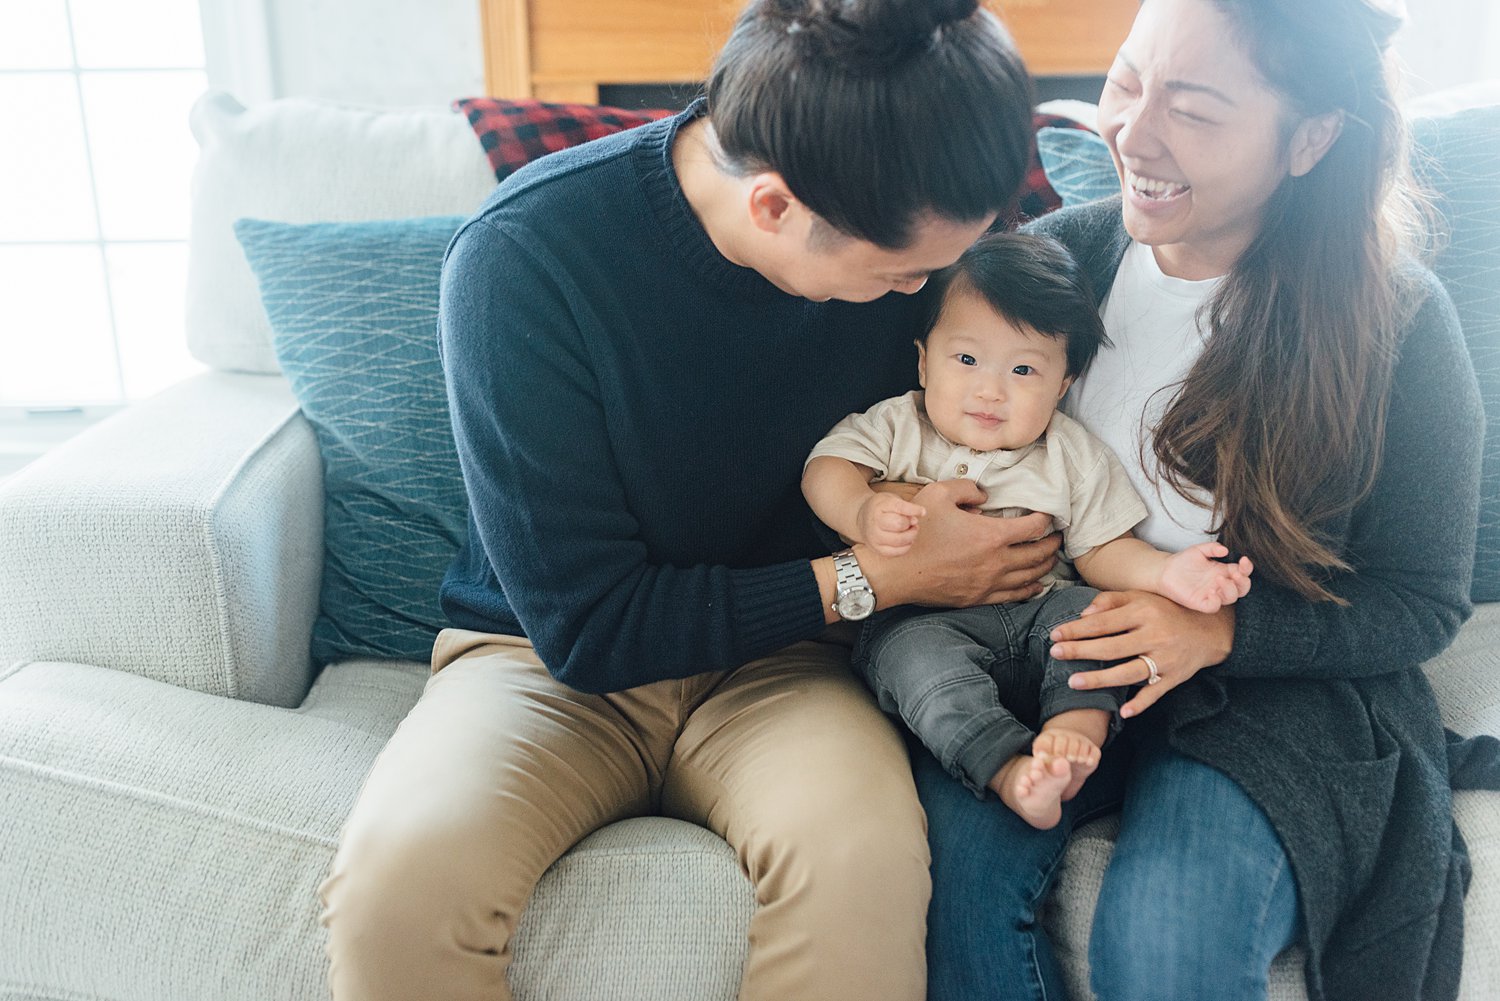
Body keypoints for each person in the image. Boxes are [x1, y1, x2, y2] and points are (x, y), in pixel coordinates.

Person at [315, 2, 1056, 999]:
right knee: (400, 888)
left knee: (860, 865)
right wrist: (876, 573)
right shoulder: (524, 257)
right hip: (543, 664)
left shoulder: (915, 210)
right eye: (901, 273)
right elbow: (587, 627)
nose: (926, 291)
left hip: (791, 667)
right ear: (775, 207)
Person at [915, 1, 1488, 1000]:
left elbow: (1424, 601)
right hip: (1034, 665)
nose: (1133, 132)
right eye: (1128, 82)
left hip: (1262, 696)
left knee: (1168, 943)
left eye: (1196, 109)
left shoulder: (1392, 322)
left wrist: (1223, 634)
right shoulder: (1053, 266)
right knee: (960, 904)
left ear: (1309, 139)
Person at [802, 232, 1253, 829]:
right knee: (916, 664)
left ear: (1062, 385)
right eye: (966, 361)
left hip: (1043, 609)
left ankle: (1073, 736)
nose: (991, 390)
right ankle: (1008, 769)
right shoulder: (899, 425)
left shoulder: (1071, 453)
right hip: (920, 617)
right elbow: (825, 470)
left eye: (1023, 370)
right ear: (923, 361)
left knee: (1093, 619)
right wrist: (861, 510)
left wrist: (1171, 574)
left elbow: (1103, 548)